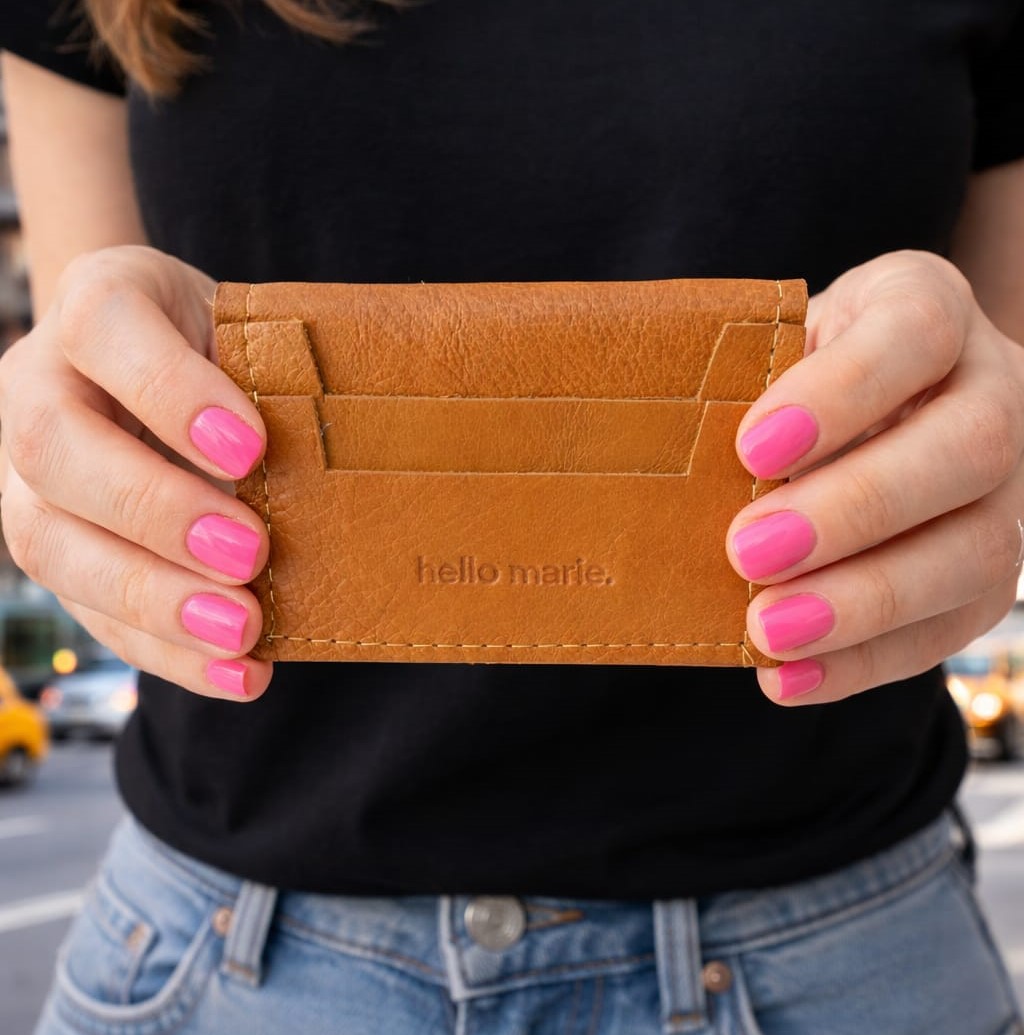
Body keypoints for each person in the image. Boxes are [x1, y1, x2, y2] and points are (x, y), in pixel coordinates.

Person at [2, 1, 1023, 1032]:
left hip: (835, 948)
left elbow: (990, 400)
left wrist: (989, 438)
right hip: (222, 952)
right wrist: (65, 447)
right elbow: (90, 377)